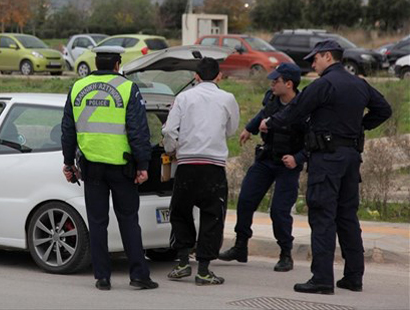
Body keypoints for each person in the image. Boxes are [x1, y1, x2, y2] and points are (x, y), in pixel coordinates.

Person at [259, 40, 392, 295]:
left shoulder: (324, 85)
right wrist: (359, 127)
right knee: (347, 217)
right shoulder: (359, 83)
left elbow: (295, 111)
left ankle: (321, 279)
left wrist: (269, 123)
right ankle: (353, 277)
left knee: (322, 216)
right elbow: (383, 109)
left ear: (328, 57)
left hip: (327, 160)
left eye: (315, 59)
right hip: (351, 158)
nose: (312, 64)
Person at [60, 46, 158, 291]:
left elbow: (67, 130)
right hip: (122, 168)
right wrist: (143, 164)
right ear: (117, 64)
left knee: (97, 223)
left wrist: (68, 163)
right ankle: (138, 276)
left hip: (91, 168)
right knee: (128, 221)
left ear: (96, 62)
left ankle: (102, 277)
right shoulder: (126, 88)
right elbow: (138, 131)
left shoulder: (77, 87)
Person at [219, 63, 307, 272]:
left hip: (288, 164)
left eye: (276, 81)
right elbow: (263, 113)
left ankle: (286, 253)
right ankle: (241, 247)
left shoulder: (304, 107)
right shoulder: (271, 98)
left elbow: (313, 140)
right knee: (245, 200)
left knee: (279, 211)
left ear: (289, 84)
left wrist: (298, 158)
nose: (272, 84)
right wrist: (249, 129)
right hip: (266, 158)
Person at [162, 57, 240, 285]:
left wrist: (171, 149)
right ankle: (204, 270)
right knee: (213, 216)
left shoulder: (184, 97)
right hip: (214, 167)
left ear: (195, 76)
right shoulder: (228, 98)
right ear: (219, 76)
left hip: (187, 165)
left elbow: (169, 130)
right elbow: (232, 129)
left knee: (180, 212)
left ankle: (183, 262)